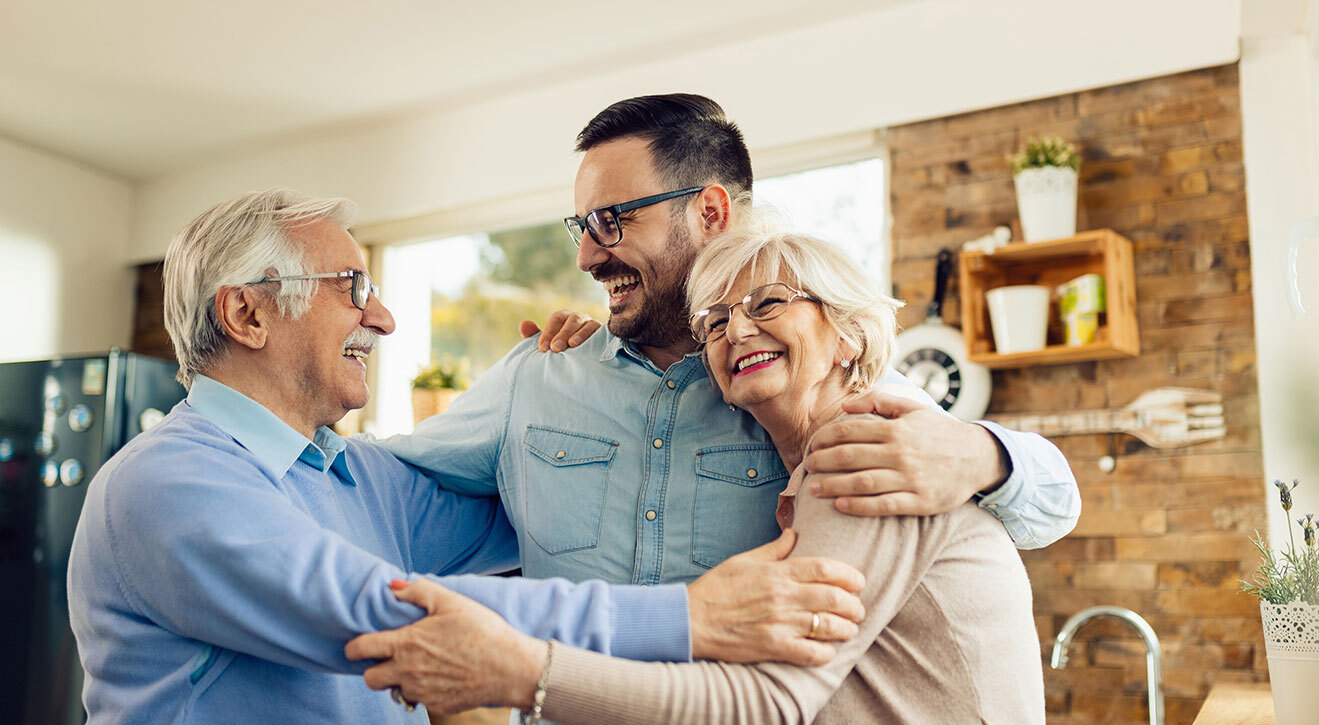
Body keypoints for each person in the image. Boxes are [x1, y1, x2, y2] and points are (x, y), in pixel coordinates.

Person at [67, 189, 867, 724]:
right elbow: (391, 612)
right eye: (352, 284)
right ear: (245, 312)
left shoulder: (355, 474)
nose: (382, 317)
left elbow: (562, 492)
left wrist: (595, 387)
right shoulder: (165, 483)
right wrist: (693, 618)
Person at [375, 97, 1079, 665]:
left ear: (709, 212)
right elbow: (380, 486)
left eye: (611, 221)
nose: (588, 254)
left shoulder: (810, 384)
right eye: (581, 226)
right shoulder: (539, 374)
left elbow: (1054, 505)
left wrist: (983, 454)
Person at [350, 224, 1045, 723]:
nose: (735, 331)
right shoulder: (809, 464)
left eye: (767, 303)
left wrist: (519, 670)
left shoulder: (871, 453)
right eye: (714, 321)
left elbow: (769, 702)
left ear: (850, 334)